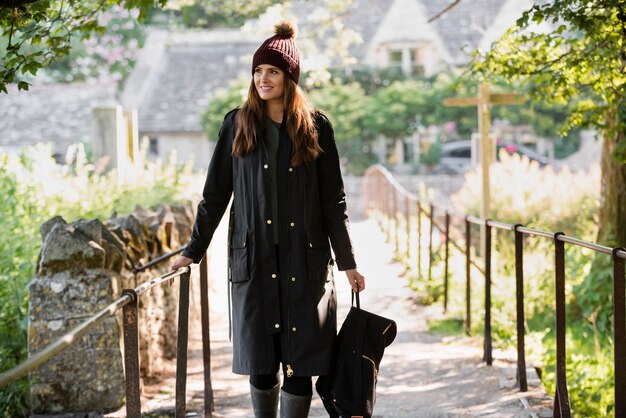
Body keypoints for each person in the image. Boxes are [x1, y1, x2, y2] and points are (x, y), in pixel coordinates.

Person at [170, 20, 365, 418]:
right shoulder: (237, 124)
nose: (263, 78)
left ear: (289, 77)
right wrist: (193, 251)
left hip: (304, 259)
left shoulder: (316, 128)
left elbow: (334, 201)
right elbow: (214, 196)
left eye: (272, 71)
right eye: (258, 71)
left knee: (301, 364)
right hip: (254, 260)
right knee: (261, 362)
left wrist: (348, 263)